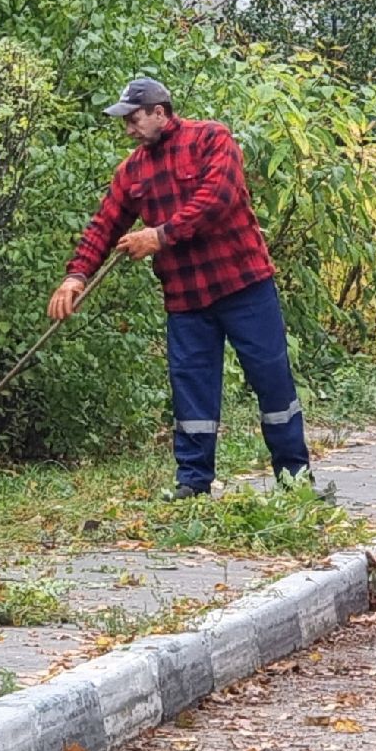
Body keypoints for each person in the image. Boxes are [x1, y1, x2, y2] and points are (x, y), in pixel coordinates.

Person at [48, 77, 310, 500]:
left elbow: (216, 200)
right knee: (191, 390)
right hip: (186, 300)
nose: (129, 129)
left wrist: (160, 236)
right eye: (125, 122)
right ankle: (192, 483)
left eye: (134, 119)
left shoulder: (212, 139)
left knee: (271, 380)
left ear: (160, 112)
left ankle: (294, 476)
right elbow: (103, 225)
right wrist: (76, 275)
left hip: (245, 286)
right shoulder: (131, 171)